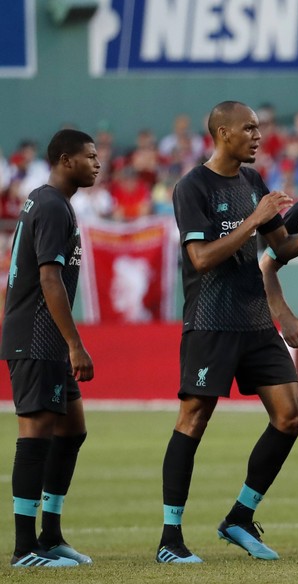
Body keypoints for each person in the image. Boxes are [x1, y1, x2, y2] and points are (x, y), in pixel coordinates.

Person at [157, 101, 298, 563]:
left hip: (256, 321)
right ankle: (170, 539)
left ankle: (240, 516)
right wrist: (253, 221)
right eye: (249, 129)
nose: (258, 136)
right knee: (194, 419)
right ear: (222, 133)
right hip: (211, 321)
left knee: (291, 417)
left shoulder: (252, 181)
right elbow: (200, 258)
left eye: (259, 128)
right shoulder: (192, 186)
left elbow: (283, 245)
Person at [2, 129, 100, 568]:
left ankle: (51, 534)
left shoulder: (51, 202)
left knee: (72, 430)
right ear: (65, 160)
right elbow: (48, 278)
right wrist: (75, 344)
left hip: (47, 338)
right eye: (90, 157)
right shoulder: (52, 205)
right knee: (36, 432)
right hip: (37, 336)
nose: (97, 164)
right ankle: (25, 549)